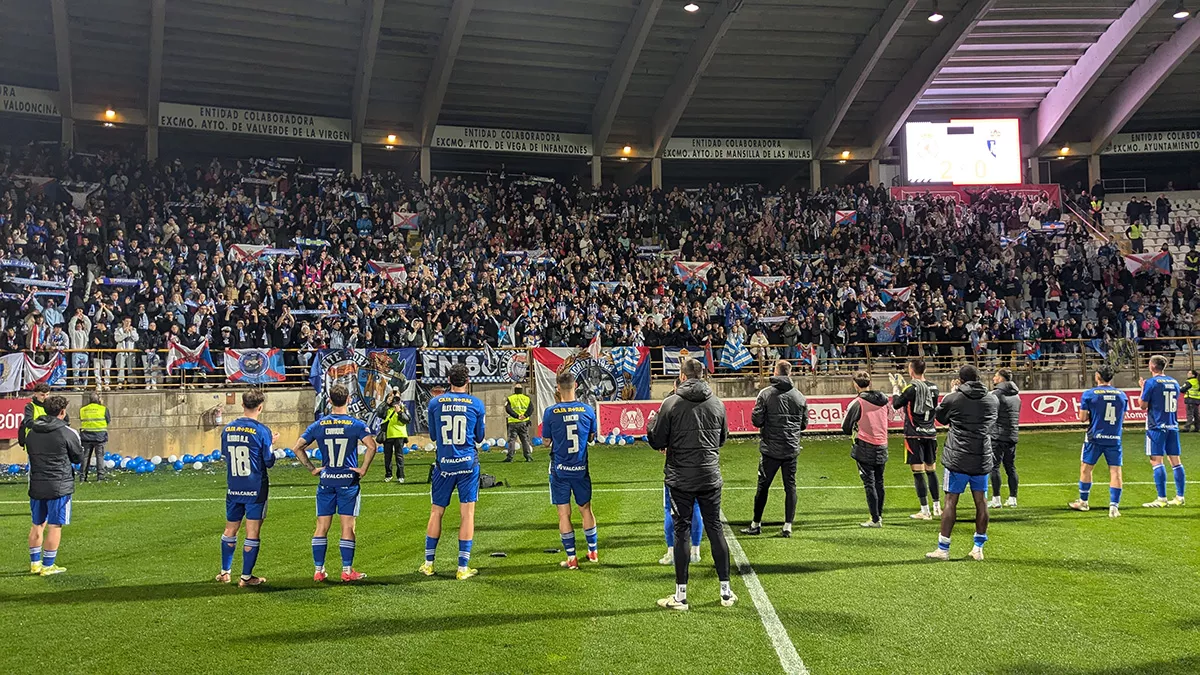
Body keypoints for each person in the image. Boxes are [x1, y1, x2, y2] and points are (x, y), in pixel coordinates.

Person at [648, 358, 734, 610]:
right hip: (709, 475)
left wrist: (652, 425)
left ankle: (681, 596)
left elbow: (657, 440)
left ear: (682, 376)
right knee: (715, 528)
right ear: (703, 375)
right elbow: (721, 439)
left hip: (681, 477)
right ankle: (726, 592)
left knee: (681, 530)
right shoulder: (717, 403)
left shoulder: (671, 402)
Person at [293, 384, 377, 582]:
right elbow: (371, 446)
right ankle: (347, 571)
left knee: (322, 526)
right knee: (347, 527)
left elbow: (298, 448)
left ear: (329, 401)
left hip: (326, 481)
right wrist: (363, 469)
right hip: (348, 481)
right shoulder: (355, 425)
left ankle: (318, 570)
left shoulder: (318, 425)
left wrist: (312, 469)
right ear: (349, 400)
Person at [421, 364, 486, 580]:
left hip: (444, 464)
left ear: (449, 379)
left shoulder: (435, 403)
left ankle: (429, 564)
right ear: (467, 381)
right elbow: (479, 437)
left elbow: (432, 436)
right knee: (467, 514)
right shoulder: (476, 404)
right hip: (468, 463)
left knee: (436, 511)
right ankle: (462, 567)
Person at [926, 365, 997, 562]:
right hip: (981, 456)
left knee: (950, 501)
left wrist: (952, 393)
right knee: (981, 501)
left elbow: (939, 418)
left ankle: (943, 548)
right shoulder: (991, 399)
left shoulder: (954, 398)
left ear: (960, 379)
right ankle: (978, 548)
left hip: (958, 458)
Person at [741, 360, 807, 537]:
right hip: (791, 448)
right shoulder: (799, 396)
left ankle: (756, 523)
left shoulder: (766, 394)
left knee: (763, 487)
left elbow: (757, 421)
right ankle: (787, 526)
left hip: (770, 449)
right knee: (790, 486)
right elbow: (804, 424)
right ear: (790, 373)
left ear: (776, 372)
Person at [217, 389, 275, 587]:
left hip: (234, 486)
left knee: (230, 528)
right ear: (260, 407)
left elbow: (226, 454)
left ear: (242, 405)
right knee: (252, 532)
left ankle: (225, 572)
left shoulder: (228, 429)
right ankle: (246, 577)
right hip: (255, 488)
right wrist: (271, 444)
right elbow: (269, 461)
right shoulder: (262, 430)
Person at [542, 369, 599, 569]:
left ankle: (572, 558)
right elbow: (592, 438)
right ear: (575, 386)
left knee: (564, 514)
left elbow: (546, 442)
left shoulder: (550, 412)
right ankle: (592, 552)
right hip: (581, 469)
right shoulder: (588, 410)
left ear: (558, 388)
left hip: (560, 470)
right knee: (586, 509)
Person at [25, 395, 84, 576]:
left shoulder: (32, 432)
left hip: (37, 483)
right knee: (55, 525)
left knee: (37, 524)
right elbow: (78, 457)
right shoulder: (68, 432)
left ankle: (35, 564)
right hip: (59, 485)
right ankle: (48, 565)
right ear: (62, 412)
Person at [1070, 366, 1127, 518]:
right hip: (1114, 438)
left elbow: (1082, 418)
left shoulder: (1089, 394)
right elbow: (1122, 417)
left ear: (1097, 376)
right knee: (1115, 471)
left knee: (1086, 469)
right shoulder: (1122, 395)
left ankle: (1083, 502)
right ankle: (1114, 507)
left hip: (1094, 438)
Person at [890, 358, 941, 520]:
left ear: (911, 370)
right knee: (931, 470)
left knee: (918, 473)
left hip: (914, 433)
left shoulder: (911, 388)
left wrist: (896, 387)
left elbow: (897, 404)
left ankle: (925, 511)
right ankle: (937, 507)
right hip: (931, 432)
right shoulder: (934, 387)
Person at [843, 370, 889, 528]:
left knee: (869, 483)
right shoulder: (884, 400)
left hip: (865, 446)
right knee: (879, 482)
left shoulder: (857, 403)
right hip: (882, 444)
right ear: (869, 383)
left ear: (855, 385)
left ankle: (875, 519)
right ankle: (879, 516)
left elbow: (846, 428)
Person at [1139, 355, 1184, 508]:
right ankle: (1180, 497)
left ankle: (1162, 499)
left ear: (1152, 366)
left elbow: (1143, 405)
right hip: (1172, 425)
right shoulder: (1174, 382)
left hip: (1156, 427)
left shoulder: (1151, 383)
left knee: (1156, 461)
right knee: (1176, 462)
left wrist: (1142, 389)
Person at [988, 369, 1020, 509]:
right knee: (1010, 467)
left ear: (1001, 378)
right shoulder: (1017, 396)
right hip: (1012, 435)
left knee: (994, 467)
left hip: (997, 436)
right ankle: (1013, 498)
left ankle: (996, 499)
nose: (994, 378)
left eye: (996, 376)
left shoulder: (996, 395)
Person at [78, 392, 110, 483]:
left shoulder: (83, 409)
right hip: (99, 436)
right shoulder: (103, 409)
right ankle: (100, 476)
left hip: (86, 436)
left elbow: (81, 419)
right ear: (99, 400)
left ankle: (82, 477)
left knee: (85, 456)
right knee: (99, 456)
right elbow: (108, 420)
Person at [378, 396, 410, 482]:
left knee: (399, 456)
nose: (395, 403)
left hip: (399, 435)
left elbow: (407, 420)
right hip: (388, 435)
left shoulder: (403, 408)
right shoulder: (387, 409)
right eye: (393, 401)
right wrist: (386, 402)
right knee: (387, 456)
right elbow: (379, 414)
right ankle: (388, 474)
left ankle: (400, 476)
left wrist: (399, 412)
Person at [504, 383, 533, 462]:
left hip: (513, 422)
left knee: (512, 440)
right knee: (525, 440)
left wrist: (516, 416)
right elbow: (531, 408)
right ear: (521, 390)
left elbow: (508, 408)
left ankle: (510, 457)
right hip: (524, 422)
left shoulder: (510, 398)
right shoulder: (527, 398)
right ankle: (528, 456)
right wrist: (525, 415)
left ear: (515, 389)